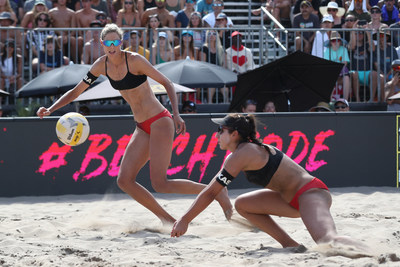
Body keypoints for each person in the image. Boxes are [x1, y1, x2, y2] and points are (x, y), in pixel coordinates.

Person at [36, 23, 232, 225]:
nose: (112, 46)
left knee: (161, 183)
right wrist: (51, 109)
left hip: (160, 120)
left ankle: (218, 190)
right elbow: (77, 91)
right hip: (141, 126)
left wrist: (176, 114)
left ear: (121, 42)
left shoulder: (135, 60)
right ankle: (167, 219)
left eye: (116, 42)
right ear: (102, 44)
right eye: (108, 43)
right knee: (124, 181)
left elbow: (167, 83)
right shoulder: (100, 65)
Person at [171, 113, 368, 255]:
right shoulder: (237, 155)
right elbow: (213, 189)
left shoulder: (244, 153)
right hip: (289, 200)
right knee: (243, 204)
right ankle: (290, 244)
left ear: (234, 134)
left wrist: (185, 219)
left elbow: (211, 192)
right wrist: (224, 207)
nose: (216, 135)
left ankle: (377, 253)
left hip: (311, 193)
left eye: (220, 130)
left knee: (327, 240)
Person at [324, 31, 351, 100]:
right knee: (329, 77)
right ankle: (329, 101)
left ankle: (345, 101)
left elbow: (345, 63)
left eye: (337, 40)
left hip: (341, 72)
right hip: (331, 72)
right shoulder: (327, 50)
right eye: (333, 40)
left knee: (346, 78)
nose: (335, 42)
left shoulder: (344, 49)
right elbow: (327, 64)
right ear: (330, 42)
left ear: (340, 42)